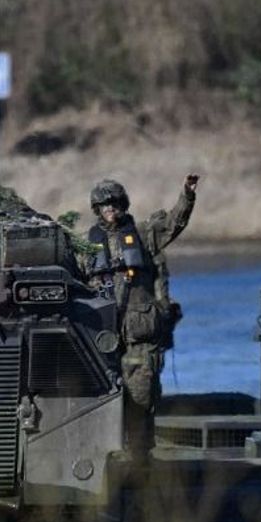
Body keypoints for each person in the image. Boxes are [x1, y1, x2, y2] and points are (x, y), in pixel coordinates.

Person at [87, 174, 199, 461]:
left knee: (141, 396)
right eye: (103, 205)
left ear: (122, 204)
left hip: (140, 337)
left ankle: (139, 460)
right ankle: (107, 456)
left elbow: (175, 223)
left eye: (113, 203)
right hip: (104, 336)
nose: (109, 209)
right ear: (97, 209)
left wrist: (186, 195)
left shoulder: (144, 234)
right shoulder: (88, 246)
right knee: (103, 397)